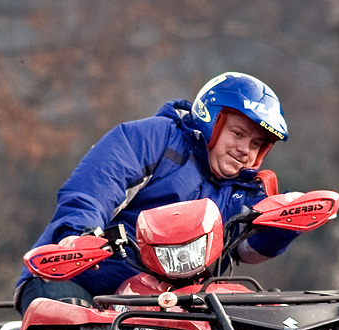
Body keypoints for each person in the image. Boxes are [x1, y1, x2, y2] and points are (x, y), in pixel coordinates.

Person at [15, 72, 298, 312]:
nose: (244, 150)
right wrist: (75, 234)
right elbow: (95, 187)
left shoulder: (246, 192)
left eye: (256, 143)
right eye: (237, 134)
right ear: (212, 121)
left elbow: (249, 248)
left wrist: (287, 222)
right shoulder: (154, 139)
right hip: (79, 279)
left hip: (167, 303)